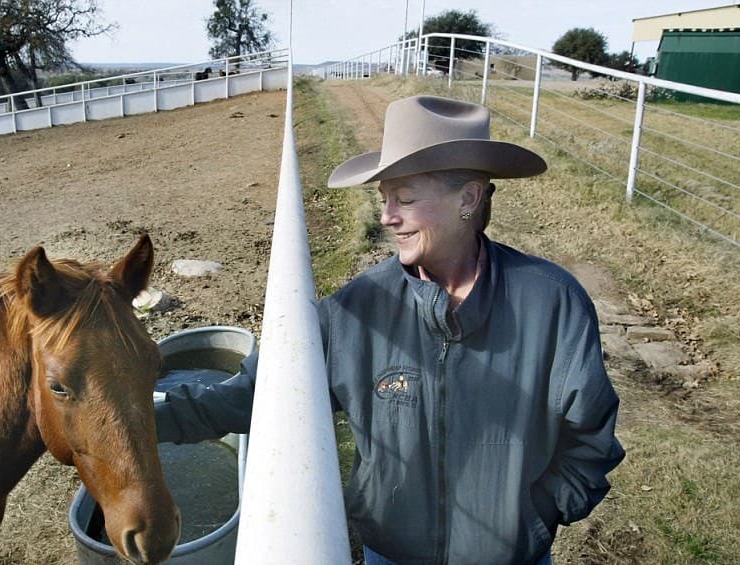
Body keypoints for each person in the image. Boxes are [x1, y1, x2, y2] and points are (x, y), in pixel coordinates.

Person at [155, 95, 625, 564]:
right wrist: (140, 418)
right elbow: (255, 395)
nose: (386, 216)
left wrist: (534, 515)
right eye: (383, 199)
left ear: (468, 197)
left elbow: (590, 440)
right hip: (390, 556)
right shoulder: (357, 309)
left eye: (404, 198)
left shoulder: (551, 302)